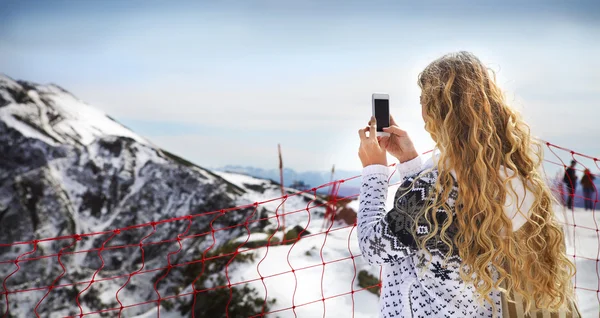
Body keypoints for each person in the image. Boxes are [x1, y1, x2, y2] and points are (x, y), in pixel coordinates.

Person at [357, 52, 575, 317]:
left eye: (423, 101)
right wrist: (410, 162)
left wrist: (374, 171)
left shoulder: (435, 192)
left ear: (439, 111)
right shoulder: (513, 179)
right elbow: (428, 231)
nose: (422, 111)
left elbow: (373, 247)